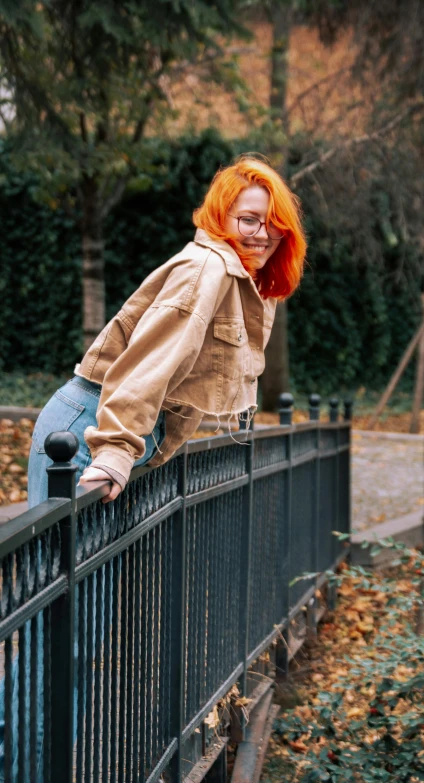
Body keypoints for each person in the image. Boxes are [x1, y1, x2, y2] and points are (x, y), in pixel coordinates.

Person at [0, 155, 307, 780]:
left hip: (108, 429)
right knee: (61, 639)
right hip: (90, 430)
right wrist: (114, 451)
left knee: (71, 636)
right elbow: (146, 368)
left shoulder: (246, 281)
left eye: (273, 224)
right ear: (221, 216)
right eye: (248, 219)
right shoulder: (209, 269)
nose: (260, 233)